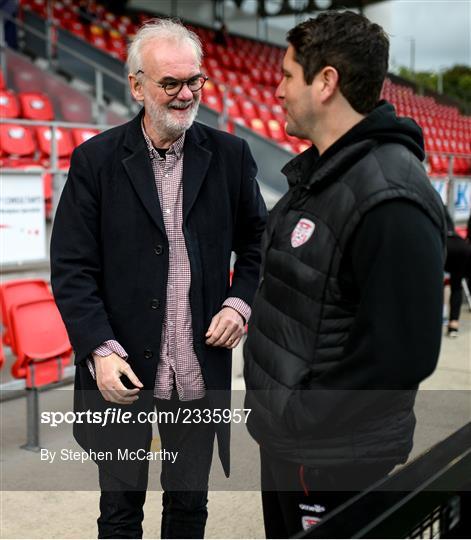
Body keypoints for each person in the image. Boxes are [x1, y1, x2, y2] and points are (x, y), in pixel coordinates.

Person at [50, 19, 267, 539]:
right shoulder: (95, 161)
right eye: (171, 84)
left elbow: (260, 244)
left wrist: (240, 303)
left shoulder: (231, 156)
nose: (186, 94)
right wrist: (99, 350)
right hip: (119, 374)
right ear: (137, 86)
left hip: (196, 374)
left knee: (189, 510)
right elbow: (72, 269)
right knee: (120, 514)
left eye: (195, 81)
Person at [243, 10, 446, 538]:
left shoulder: (387, 193)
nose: (278, 90)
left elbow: (402, 355)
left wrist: (299, 415)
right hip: (293, 446)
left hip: (329, 456)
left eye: (288, 75)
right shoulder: (324, 172)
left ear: (326, 81)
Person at [444, 206, 471, 337]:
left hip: (445, 245)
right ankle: (453, 325)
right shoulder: (441, 208)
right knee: (456, 286)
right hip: (461, 245)